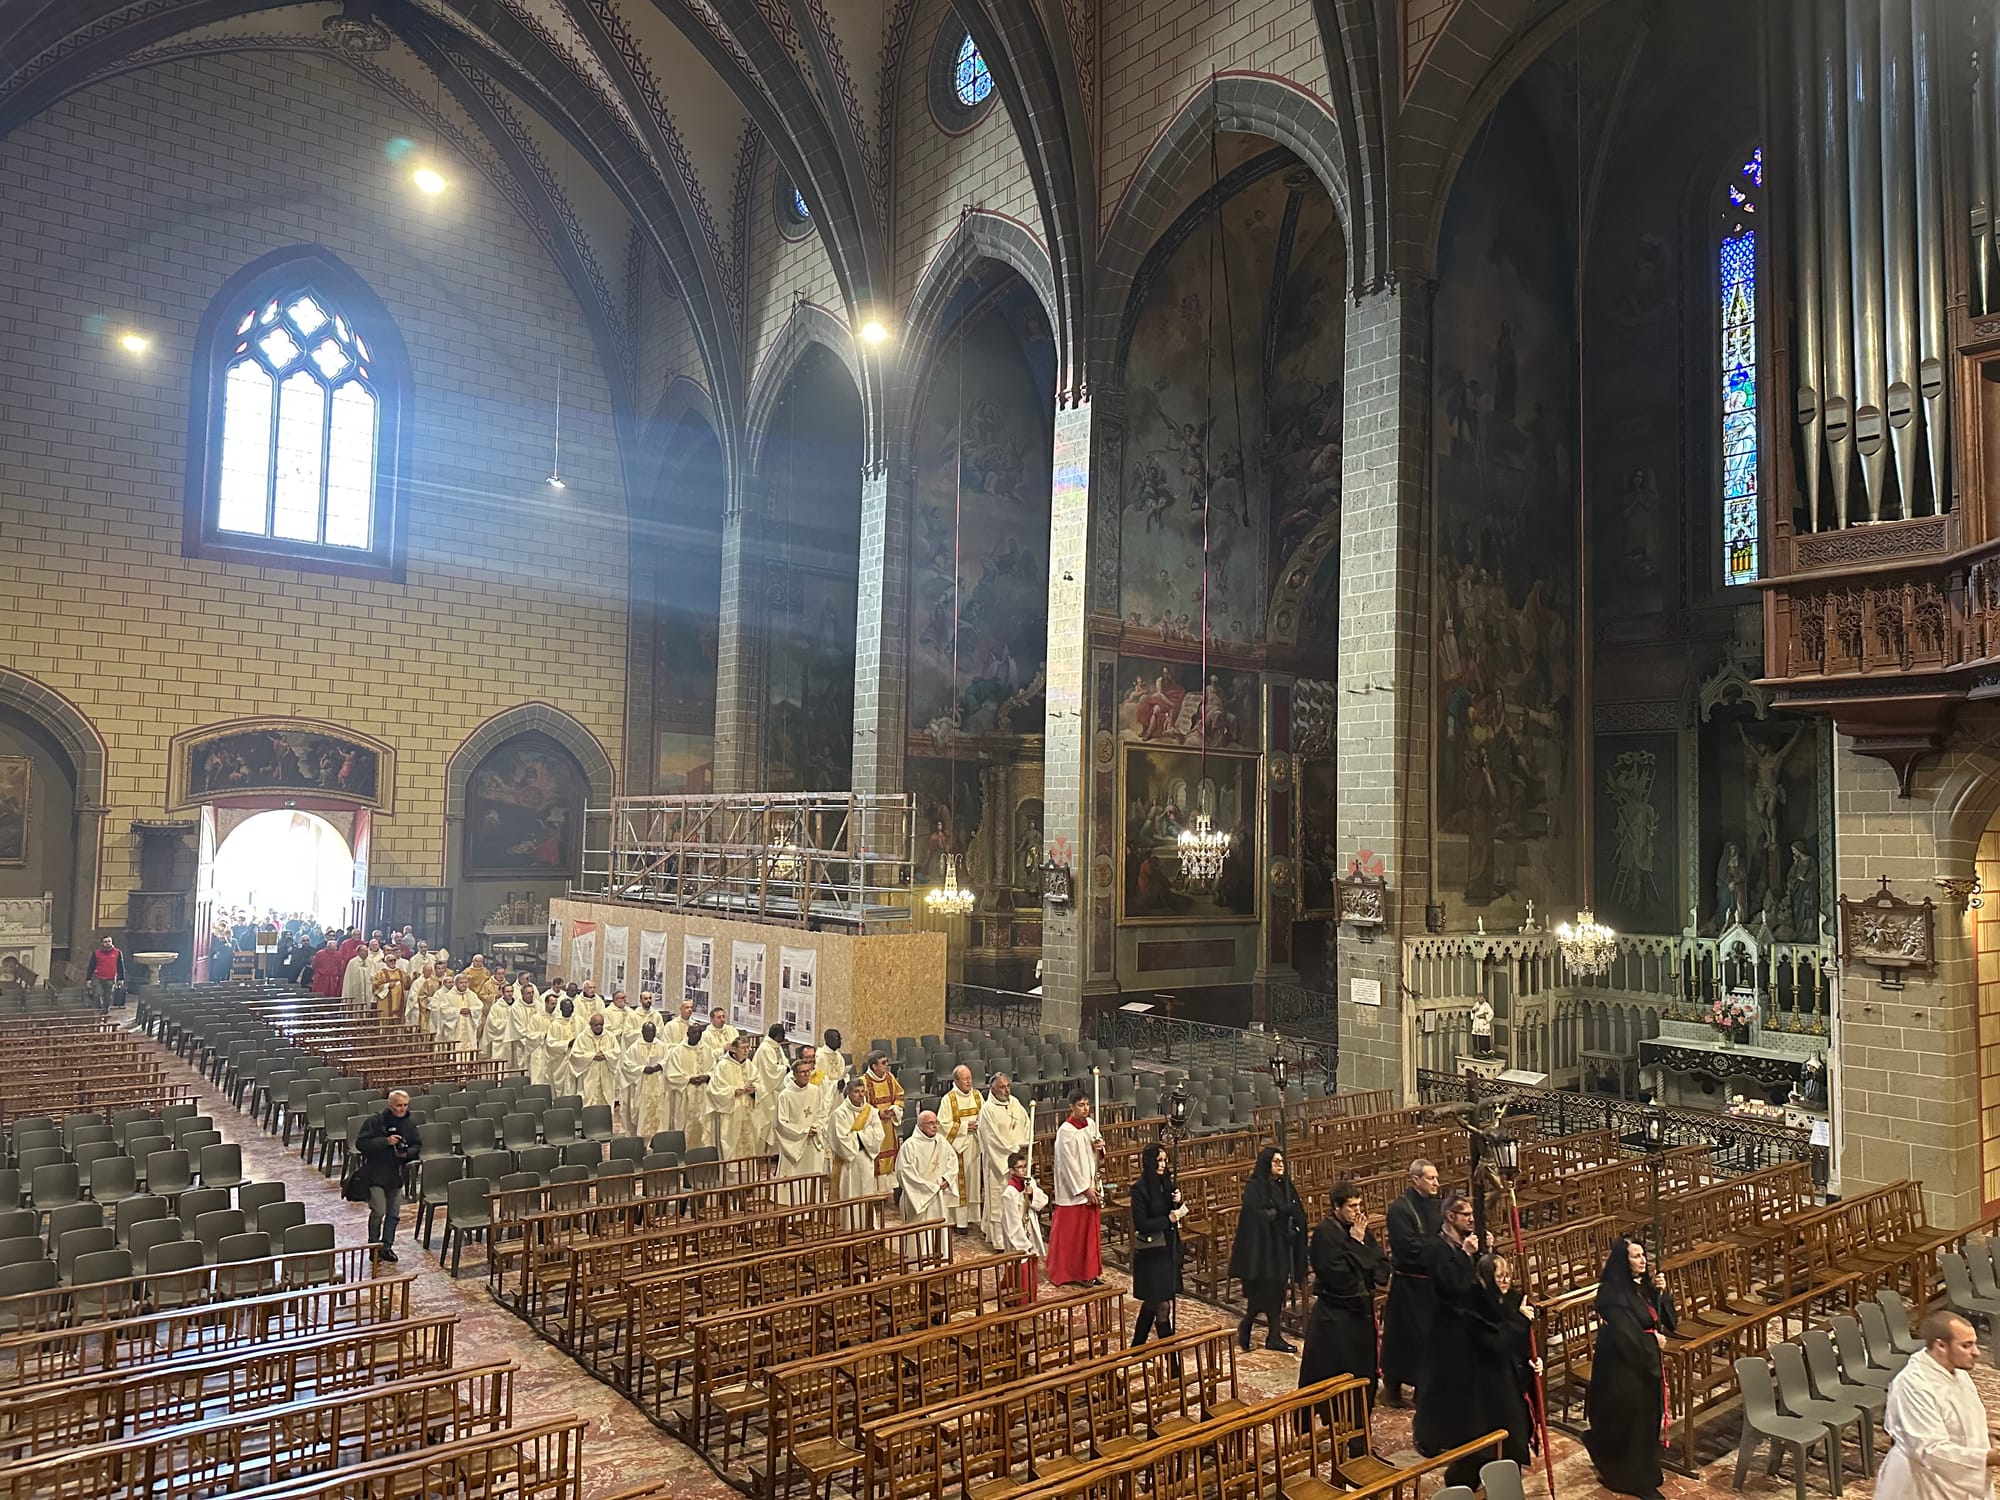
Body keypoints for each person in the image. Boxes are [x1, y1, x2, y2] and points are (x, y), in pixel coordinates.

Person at [1582, 1238, 1678, 1500]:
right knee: (1630, 1420)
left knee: (1647, 1417)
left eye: (1643, 1254)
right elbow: (1624, 1334)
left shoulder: (1642, 1288)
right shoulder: (1612, 1294)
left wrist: (1661, 1293)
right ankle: (1628, 1477)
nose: (1643, 1260)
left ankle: (1645, 1470)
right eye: (1636, 1256)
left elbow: (1666, 1322)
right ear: (1623, 1262)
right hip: (1620, 1367)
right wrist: (1652, 1342)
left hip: (1641, 1361)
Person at [1877, 1311, 2000, 1500]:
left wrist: (1986, 1430)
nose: (1976, 1352)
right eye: (1966, 1345)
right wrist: (1989, 1458)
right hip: (1922, 1482)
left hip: (1954, 1475)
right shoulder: (1913, 1385)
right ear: (1941, 1345)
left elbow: (1952, 1417)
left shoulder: (1956, 1370)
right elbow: (1929, 1450)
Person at [1299, 1178, 1390, 1406]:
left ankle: (1359, 1426)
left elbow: (1381, 1268)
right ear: (1336, 1207)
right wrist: (1357, 1246)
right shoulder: (1324, 1234)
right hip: (1335, 1318)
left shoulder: (1361, 1230)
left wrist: (1359, 1250)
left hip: (1361, 1316)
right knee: (1330, 1381)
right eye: (1351, 1206)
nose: (1357, 1211)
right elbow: (1337, 1276)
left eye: (1359, 1205)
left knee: (1363, 1380)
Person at [1229, 1145, 1308, 1352]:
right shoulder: (1255, 1187)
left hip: (1280, 1245)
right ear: (1266, 1164)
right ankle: (1253, 1326)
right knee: (1264, 1294)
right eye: (1276, 1162)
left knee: (1277, 1291)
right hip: (1261, 1250)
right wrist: (1280, 1212)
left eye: (1282, 1161)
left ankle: (1272, 1335)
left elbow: (1296, 1210)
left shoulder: (1285, 1185)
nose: (1281, 1165)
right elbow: (1255, 1216)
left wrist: (1294, 1225)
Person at [1381, 1157, 1445, 1405]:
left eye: (1436, 1178)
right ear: (1415, 1179)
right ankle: (1393, 1388)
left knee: (1429, 1340)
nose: (1436, 1183)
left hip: (1431, 1284)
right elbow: (1408, 1247)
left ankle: (1424, 1387)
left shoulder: (1437, 1206)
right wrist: (1439, 1248)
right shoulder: (1400, 1209)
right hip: (1408, 1286)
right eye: (1431, 1178)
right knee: (1404, 1340)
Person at [354, 1089, 423, 1263]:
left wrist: (405, 1153)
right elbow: (361, 1143)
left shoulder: (409, 1123)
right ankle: (374, 1246)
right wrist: (385, 1141)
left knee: (393, 1214)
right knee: (379, 1211)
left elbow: (416, 1146)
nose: (402, 1109)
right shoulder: (375, 1121)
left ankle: (387, 1246)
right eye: (399, 1105)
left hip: (395, 1174)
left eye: (405, 1105)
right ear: (390, 1105)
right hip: (375, 1173)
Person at [1129, 1141, 1187, 1345]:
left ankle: (1137, 1347)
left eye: (1164, 1160)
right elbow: (1142, 1224)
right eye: (1159, 1161)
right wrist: (1168, 1219)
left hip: (1168, 1249)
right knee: (1161, 1305)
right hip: (1151, 1253)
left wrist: (1177, 1202)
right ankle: (1170, 1356)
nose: (1162, 1165)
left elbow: (1172, 1211)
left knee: (1155, 1303)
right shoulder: (1139, 1189)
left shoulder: (1167, 1184)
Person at [1046, 1090, 1103, 1286]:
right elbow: (1068, 1163)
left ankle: (1089, 1272)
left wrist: (1100, 1148)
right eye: (1081, 1105)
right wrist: (1084, 1188)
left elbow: (1097, 1152)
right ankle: (1067, 1272)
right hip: (1074, 1192)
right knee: (1071, 1236)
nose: (1085, 1108)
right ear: (1071, 1107)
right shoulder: (1066, 1131)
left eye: (1087, 1104)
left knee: (1089, 1235)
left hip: (1091, 1186)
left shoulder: (1091, 1125)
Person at [975, 1072, 1032, 1247]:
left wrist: (1025, 1145)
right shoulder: (987, 1110)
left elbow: (1026, 1124)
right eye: (1002, 1087)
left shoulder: (1015, 1103)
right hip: (999, 1164)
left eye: (1008, 1086)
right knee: (999, 1201)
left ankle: (1021, 1235)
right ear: (992, 1089)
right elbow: (991, 1138)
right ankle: (1000, 1241)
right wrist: (1013, 1151)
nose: (1007, 1090)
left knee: (1018, 1201)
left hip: (1019, 1161)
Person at [998, 1146, 1049, 1296]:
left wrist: (1032, 1195)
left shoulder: (1029, 1182)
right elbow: (1011, 1222)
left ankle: (1031, 1296)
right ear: (1011, 1171)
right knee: (1020, 1268)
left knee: (1032, 1264)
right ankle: (1019, 1298)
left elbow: (1043, 1201)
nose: (1024, 1170)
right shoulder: (1009, 1193)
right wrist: (1023, 1244)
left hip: (1030, 1225)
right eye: (1019, 1167)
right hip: (1017, 1236)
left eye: (1025, 1166)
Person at [939, 1066, 984, 1233]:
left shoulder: (977, 1096)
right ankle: (959, 1222)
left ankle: (973, 1217)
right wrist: (965, 1127)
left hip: (975, 1144)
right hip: (958, 1148)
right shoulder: (948, 1099)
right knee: (960, 1184)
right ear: (956, 1080)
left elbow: (985, 1117)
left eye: (970, 1078)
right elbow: (942, 1125)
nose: (969, 1081)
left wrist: (978, 1127)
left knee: (974, 1182)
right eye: (965, 1079)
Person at [774, 1056, 828, 1196]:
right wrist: (803, 1132)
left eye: (808, 1071)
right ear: (795, 1074)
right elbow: (781, 1123)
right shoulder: (785, 1095)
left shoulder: (815, 1090)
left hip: (813, 1139)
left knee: (812, 1175)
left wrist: (816, 1127)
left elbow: (822, 1113)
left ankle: (812, 1201)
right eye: (802, 1072)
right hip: (794, 1143)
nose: (806, 1074)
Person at [896, 1110, 959, 1224]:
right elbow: (904, 1173)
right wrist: (930, 1188)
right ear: (920, 1125)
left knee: (939, 1228)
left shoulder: (941, 1140)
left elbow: (952, 1160)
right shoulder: (909, 1146)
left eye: (936, 1122)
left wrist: (948, 1179)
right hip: (919, 1197)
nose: (935, 1126)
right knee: (919, 1232)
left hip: (939, 1195)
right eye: (930, 1123)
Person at [830, 1078, 884, 1200]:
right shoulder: (840, 1113)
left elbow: (878, 1134)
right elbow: (841, 1139)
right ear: (848, 1092)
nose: (860, 1095)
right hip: (848, 1161)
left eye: (862, 1091)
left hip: (866, 1158)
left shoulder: (870, 1111)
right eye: (856, 1091)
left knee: (866, 1194)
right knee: (849, 1195)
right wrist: (864, 1136)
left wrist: (857, 1136)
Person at [707, 1033, 759, 1159]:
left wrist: (754, 1089)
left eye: (748, 1047)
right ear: (734, 1049)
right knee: (732, 1147)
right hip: (731, 1112)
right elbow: (713, 1089)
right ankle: (732, 1172)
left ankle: (748, 1172)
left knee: (748, 1143)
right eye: (743, 1048)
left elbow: (759, 1081)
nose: (746, 1051)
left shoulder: (749, 1064)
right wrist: (732, 1091)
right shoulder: (723, 1065)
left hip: (747, 1109)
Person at [859, 1053, 906, 1190]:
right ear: (874, 1066)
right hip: (871, 1127)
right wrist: (878, 1113)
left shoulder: (890, 1078)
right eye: (884, 1063)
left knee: (890, 1154)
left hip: (888, 1125)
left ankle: (888, 1190)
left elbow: (899, 1095)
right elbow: (861, 1106)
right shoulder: (863, 1082)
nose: (887, 1065)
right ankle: (874, 1190)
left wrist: (894, 1109)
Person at [664, 1020, 711, 1147]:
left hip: (703, 1094)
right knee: (684, 1123)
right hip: (685, 1095)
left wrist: (707, 1076)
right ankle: (683, 1150)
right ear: (688, 1033)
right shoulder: (678, 1051)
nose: (697, 1035)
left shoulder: (706, 1050)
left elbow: (713, 1069)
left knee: (702, 1124)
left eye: (699, 1033)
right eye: (694, 1032)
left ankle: (701, 1151)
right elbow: (671, 1074)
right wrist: (688, 1079)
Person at [624, 1019, 673, 1140]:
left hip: (659, 1086)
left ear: (655, 1032)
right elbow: (627, 1064)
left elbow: (668, 1059)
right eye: (647, 1031)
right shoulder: (635, 1047)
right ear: (642, 1032)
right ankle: (642, 1141)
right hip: (642, 1086)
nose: (650, 1034)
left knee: (660, 1113)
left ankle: (659, 1140)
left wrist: (659, 1066)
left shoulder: (662, 1046)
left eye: (652, 1031)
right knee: (642, 1114)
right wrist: (642, 1068)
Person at [568, 1015, 623, 1115]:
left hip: (606, 1076)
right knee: (589, 1102)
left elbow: (617, 1052)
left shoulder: (610, 1036)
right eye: (596, 1025)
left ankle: (606, 1123)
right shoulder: (582, 1037)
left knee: (606, 1103)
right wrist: (592, 1056)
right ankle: (590, 1122)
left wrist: (605, 1054)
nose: (599, 1027)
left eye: (601, 1024)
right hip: (589, 1077)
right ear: (590, 1025)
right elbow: (575, 1055)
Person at [750, 1024, 791, 1156]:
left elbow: (785, 1062)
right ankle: (760, 1153)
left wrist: (786, 1067)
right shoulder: (765, 1049)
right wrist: (785, 1069)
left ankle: (772, 1152)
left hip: (775, 1090)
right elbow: (771, 1071)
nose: (783, 1038)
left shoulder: (776, 1046)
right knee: (766, 1121)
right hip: (765, 1090)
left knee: (776, 1120)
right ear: (778, 1035)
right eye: (782, 1035)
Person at [84, 935, 125, 1014]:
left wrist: (121, 979)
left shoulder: (117, 953)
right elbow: (91, 966)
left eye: (109, 941)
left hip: (110, 978)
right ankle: (97, 1011)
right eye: (105, 942)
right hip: (98, 977)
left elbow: (120, 966)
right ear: (102, 943)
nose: (108, 943)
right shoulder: (96, 953)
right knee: (98, 994)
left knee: (108, 997)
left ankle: (105, 1011)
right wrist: (88, 979)